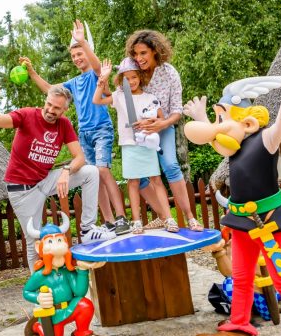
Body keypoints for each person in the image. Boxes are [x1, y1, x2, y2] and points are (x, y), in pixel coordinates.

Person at [184, 70, 281, 336]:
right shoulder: (233, 150)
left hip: (269, 222)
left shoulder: (266, 140)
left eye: (222, 120)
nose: (217, 128)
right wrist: (201, 118)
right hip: (241, 222)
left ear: (247, 122)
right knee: (241, 275)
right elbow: (214, 136)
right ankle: (239, 325)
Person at [0, 72, 115, 271]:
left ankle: (87, 229)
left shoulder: (64, 125)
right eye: (49, 104)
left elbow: (80, 157)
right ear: (46, 101)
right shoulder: (26, 115)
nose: (51, 110)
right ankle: (39, 288)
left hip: (44, 181)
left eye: (57, 108)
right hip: (22, 189)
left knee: (90, 172)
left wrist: (66, 171)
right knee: (33, 238)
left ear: (65, 110)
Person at [22, 20, 129, 235]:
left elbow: (98, 67)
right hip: (84, 134)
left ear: (87, 52)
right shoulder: (74, 82)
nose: (77, 58)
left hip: (101, 130)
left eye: (80, 54)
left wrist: (82, 42)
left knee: (103, 170)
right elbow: (51, 90)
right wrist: (33, 73)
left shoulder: (96, 75)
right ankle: (108, 220)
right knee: (93, 174)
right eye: (74, 56)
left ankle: (121, 218)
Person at [124, 29, 203, 231]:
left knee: (170, 165)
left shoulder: (169, 73)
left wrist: (162, 124)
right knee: (138, 176)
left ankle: (190, 217)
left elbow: (177, 110)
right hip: (140, 133)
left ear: (155, 51)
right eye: (135, 54)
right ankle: (163, 216)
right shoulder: (133, 73)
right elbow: (119, 93)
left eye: (143, 53)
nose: (138, 58)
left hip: (164, 127)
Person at [93, 58, 178, 234]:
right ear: (120, 80)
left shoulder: (150, 98)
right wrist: (103, 80)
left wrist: (151, 122)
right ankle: (137, 220)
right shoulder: (119, 96)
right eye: (126, 78)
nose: (130, 81)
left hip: (148, 144)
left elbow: (162, 119)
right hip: (129, 145)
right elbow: (97, 101)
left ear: (140, 77)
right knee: (133, 182)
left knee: (156, 180)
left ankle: (169, 218)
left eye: (133, 77)